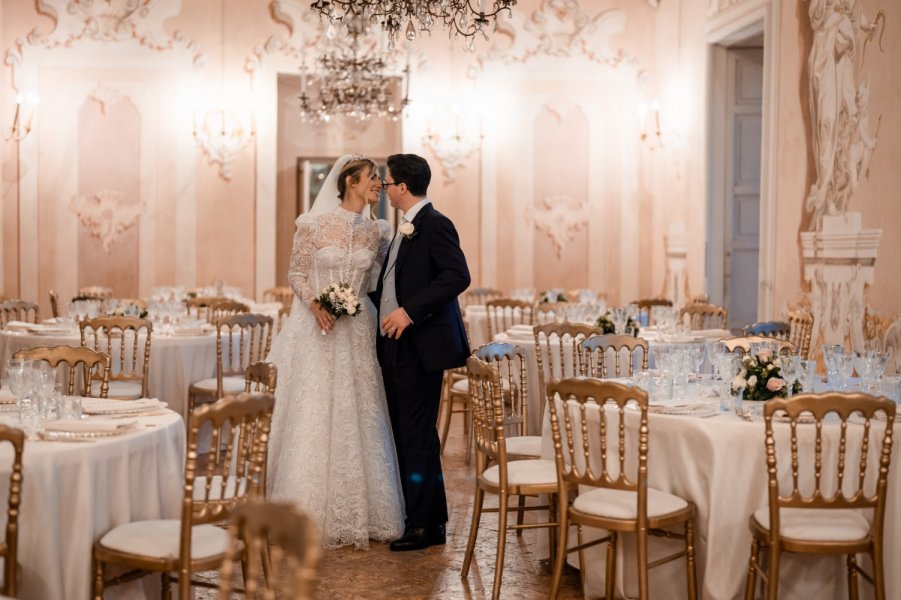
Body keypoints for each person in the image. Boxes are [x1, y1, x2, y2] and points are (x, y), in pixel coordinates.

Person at [266, 154, 405, 549]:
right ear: (349, 182)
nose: (379, 183)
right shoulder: (312, 224)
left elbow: (382, 279)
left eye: (380, 178)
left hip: (358, 327)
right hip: (318, 328)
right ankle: (304, 506)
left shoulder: (378, 231)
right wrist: (315, 304)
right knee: (314, 409)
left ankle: (361, 507)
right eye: (373, 178)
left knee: (360, 412)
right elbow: (296, 272)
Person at [372, 153, 471, 551]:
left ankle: (425, 526)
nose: (384, 188)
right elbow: (397, 282)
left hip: (420, 346)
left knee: (417, 435)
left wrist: (410, 313)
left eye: (388, 182)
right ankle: (423, 517)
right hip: (396, 347)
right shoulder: (406, 228)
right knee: (408, 432)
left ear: (402, 186)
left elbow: (457, 276)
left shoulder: (435, 224)